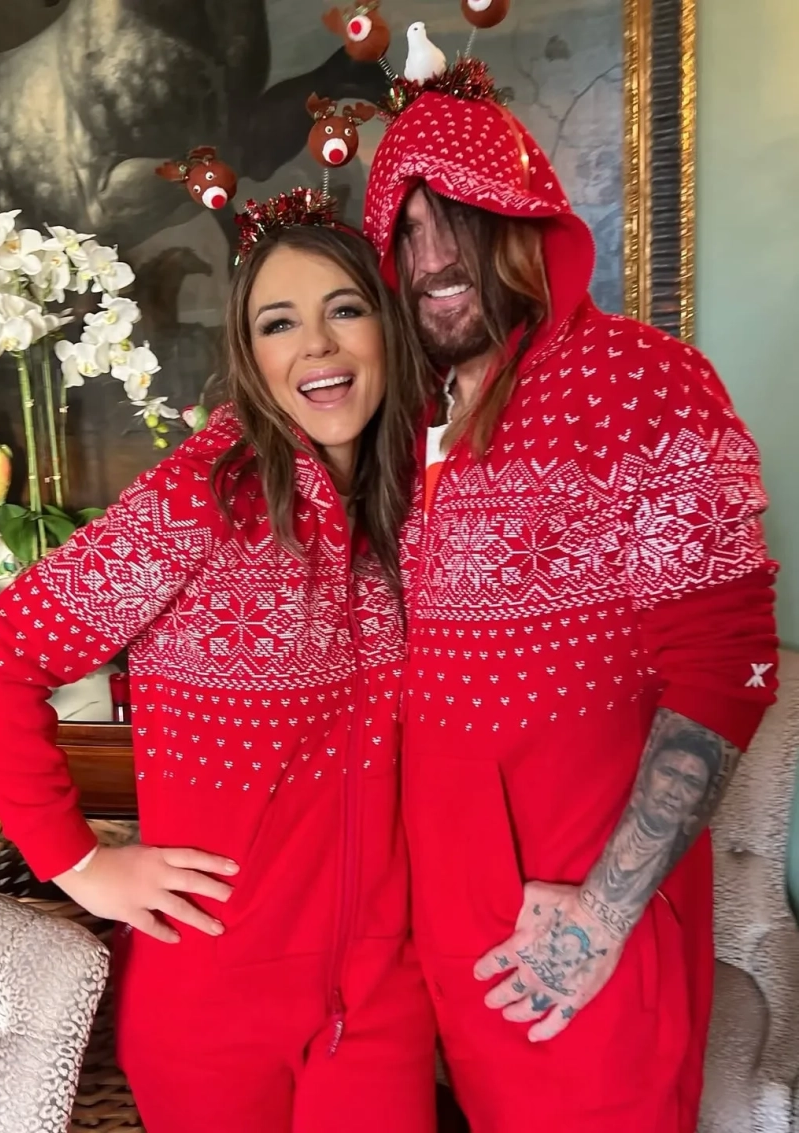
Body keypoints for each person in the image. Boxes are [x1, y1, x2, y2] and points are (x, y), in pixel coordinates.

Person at [0, 210, 437, 1133]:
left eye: (345, 309)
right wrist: (81, 864)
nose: (317, 344)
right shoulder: (198, 499)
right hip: (214, 1003)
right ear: (250, 355)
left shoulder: (416, 502)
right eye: (278, 321)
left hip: (379, 1001)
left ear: (389, 328)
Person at [362, 67, 779, 1133]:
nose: (432, 258)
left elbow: (726, 665)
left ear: (520, 218)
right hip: (448, 935)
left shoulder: (644, 379)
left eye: (456, 217)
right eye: (406, 231)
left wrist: (599, 918)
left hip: (581, 935)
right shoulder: (406, 426)